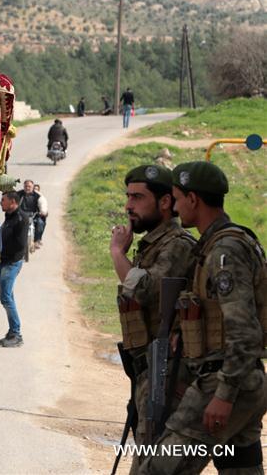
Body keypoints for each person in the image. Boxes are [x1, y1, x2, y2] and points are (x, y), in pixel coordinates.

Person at [139, 162, 267, 474]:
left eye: (178, 198)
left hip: (225, 382)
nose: (177, 206)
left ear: (193, 199)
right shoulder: (214, 245)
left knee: (159, 469)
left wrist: (224, 394)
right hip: (237, 381)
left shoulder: (225, 251)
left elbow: (244, 331)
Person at [109, 164, 196, 470]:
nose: (128, 205)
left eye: (137, 197)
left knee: (153, 464)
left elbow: (145, 290)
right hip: (148, 369)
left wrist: (119, 254)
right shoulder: (154, 245)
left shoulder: (178, 245)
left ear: (165, 203)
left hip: (168, 374)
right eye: (128, 196)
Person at [0, 191, 28, 347]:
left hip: (11, 263)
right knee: (8, 297)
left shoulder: (21, 219)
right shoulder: (9, 217)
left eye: (3, 200)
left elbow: (20, 245)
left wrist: (4, 252)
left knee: (6, 298)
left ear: (13, 202)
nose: (1, 203)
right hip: (3, 262)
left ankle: (16, 334)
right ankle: (11, 333)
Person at [17, 179, 46, 250]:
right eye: (26, 186)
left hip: (34, 215)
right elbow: (13, 202)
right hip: (21, 215)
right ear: (23, 186)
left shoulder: (38, 195)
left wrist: (43, 211)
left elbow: (42, 204)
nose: (27, 188)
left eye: (29, 186)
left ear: (32, 187)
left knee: (40, 223)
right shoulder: (18, 194)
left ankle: (37, 240)